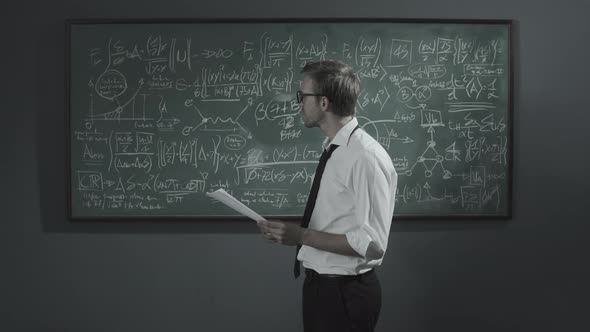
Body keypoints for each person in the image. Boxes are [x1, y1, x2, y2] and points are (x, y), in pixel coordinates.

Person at [257, 60, 398, 332]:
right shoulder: (335, 150)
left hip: (344, 294)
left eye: (303, 96)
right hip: (321, 288)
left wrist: (301, 236)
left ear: (323, 102)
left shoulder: (364, 157)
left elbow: (372, 244)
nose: (299, 103)